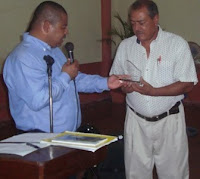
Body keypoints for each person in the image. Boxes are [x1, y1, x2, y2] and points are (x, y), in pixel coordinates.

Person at [3, 1, 126, 134]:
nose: (67, 32)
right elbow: (38, 99)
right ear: (46, 26)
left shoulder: (53, 51)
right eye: (63, 27)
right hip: (40, 140)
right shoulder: (23, 58)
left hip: (66, 136)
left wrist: (106, 82)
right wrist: (65, 75)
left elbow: (73, 81)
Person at [109, 0, 198, 179]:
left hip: (169, 121)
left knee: (174, 174)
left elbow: (188, 82)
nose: (136, 28)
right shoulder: (125, 47)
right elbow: (117, 80)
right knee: (136, 173)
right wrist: (125, 88)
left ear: (155, 19)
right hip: (136, 121)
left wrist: (153, 91)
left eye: (141, 22)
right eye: (133, 23)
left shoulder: (176, 45)